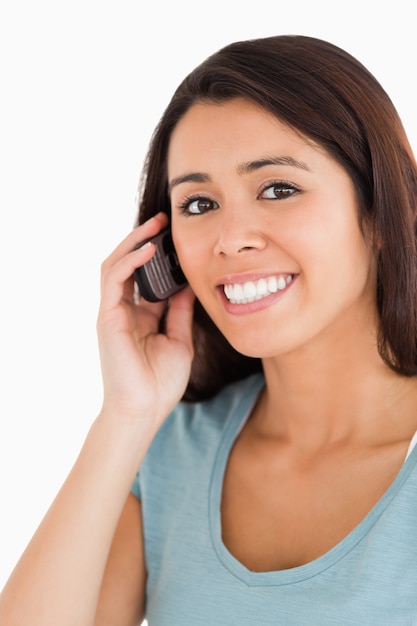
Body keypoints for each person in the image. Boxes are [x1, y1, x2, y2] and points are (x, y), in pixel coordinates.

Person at [1, 34, 417, 626]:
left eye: (278, 189)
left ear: (380, 211)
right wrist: (127, 414)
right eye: (199, 204)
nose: (230, 238)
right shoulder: (172, 451)